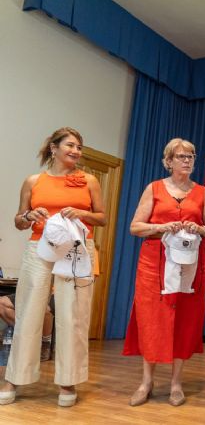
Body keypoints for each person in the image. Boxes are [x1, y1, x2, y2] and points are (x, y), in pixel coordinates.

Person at [0, 127, 106, 407]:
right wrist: (28, 215)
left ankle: (68, 380)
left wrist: (82, 213)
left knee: (74, 315)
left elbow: (102, 218)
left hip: (76, 250)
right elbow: (19, 221)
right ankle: (14, 377)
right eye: (70, 145)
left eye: (79, 147)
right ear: (53, 148)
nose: (76, 151)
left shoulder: (90, 181)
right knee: (28, 312)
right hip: (39, 247)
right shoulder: (33, 180)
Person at [122, 138, 205, 407]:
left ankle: (176, 383)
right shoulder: (153, 188)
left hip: (190, 263)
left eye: (191, 156)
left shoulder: (201, 192)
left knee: (185, 320)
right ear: (168, 161)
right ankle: (146, 382)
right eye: (181, 156)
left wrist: (201, 230)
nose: (187, 160)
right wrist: (162, 227)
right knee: (152, 318)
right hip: (154, 263)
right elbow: (135, 227)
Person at [0, 294, 54, 365]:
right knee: (1, 303)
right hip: (28, 289)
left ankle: (45, 344)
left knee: (43, 307)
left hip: (54, 292)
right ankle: (28, 341)